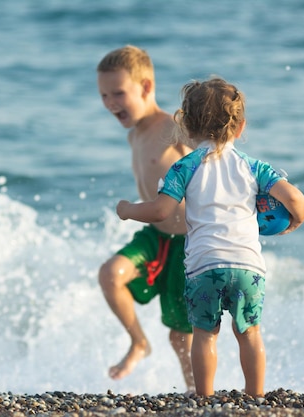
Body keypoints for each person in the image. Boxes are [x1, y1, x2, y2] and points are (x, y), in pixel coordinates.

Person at [116, 77, 304, 397]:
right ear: (240, 127)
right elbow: (297, 201)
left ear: (186, 128)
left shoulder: (184, 167)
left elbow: (161, 211)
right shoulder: (254, 167)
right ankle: (255, 395)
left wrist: (128, 209)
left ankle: (204, 398)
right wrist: (293, 223)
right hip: (248, 266)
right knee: (250, 333)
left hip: (204, 266)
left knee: (205, 334)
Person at [96, 45, 195, 392]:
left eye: (119, 93)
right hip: (155, 237)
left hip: (189, 243)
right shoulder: (133, 135)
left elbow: (212, 160)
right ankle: (138, 342)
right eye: (104, 95)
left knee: (181, 337)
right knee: (111, 274)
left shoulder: (173, 127)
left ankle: (196, 393)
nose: (110, 103)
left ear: (146, 87)